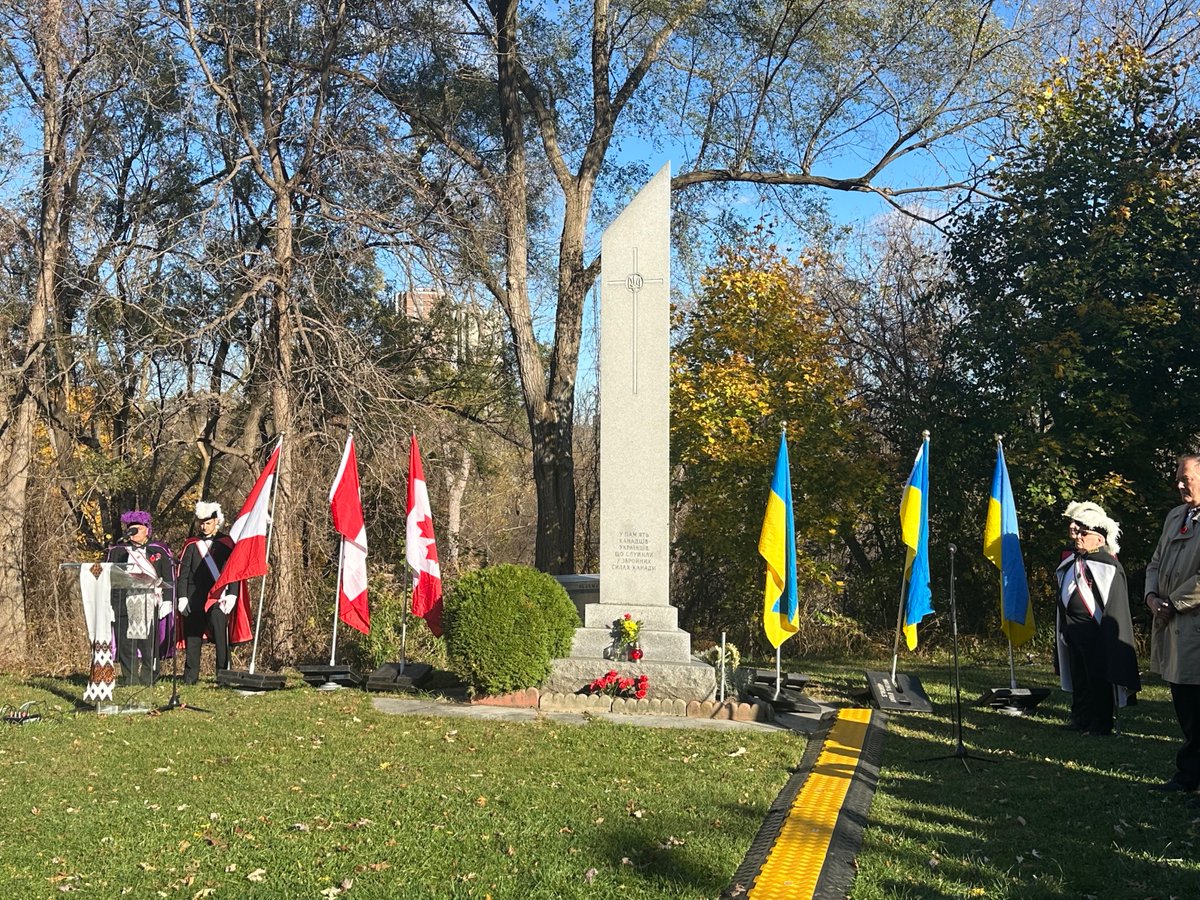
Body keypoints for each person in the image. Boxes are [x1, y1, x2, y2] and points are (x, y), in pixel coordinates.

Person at [1053, 501, 1139, 736]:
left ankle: (1101, 723)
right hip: (1073, 630)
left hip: (1097, 631)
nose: (1078, 537)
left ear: (1099, 539)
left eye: (1084, 533)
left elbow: (1113, 603)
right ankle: (1080, 718)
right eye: (1078, 533)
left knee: (1097, 678)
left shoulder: (1107, 564)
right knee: (1079, 677)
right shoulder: (1071, 561)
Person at [1146, 454, 1200, 792]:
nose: (1179, 485)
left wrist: (1174, 603)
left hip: (1192, 625)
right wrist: (1152, 598)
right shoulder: (1175, 517)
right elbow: (1154, 562)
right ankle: (1189, 776)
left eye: (1186, 479)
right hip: (1171, 625)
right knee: (1185, 705)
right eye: (1178, 478)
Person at [174, 501, 251, 683]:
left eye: (208, 522)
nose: (204, 526)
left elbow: (234, 571)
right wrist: (182, 597)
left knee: (220, 637)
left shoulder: (226, 543)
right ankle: (190, 677)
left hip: (219, 597)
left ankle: (223, 675)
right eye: (202, 522)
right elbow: (183, 574)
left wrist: (232, 593)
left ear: (217, 522)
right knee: (193, 638)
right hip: (194, 597)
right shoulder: (191, 544)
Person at [105, 509, 175, 685]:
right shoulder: (118, 552)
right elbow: (109, 578)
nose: (133, 531)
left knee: (148, 644)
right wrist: (108, 604)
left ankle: (148, 677)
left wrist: (167, 600)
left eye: (138, 527)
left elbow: (167, 577)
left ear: (147, 530)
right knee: (126, 643)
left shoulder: (158, 550)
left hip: (148, 602)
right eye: (131, 528)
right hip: (123, 601)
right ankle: (130, 678)